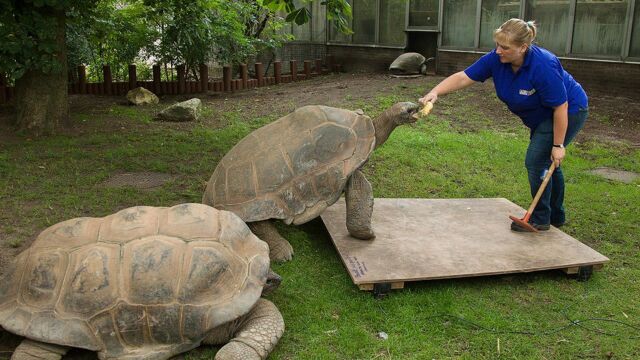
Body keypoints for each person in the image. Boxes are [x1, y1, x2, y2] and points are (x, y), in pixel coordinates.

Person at [419, 18, 588, 231]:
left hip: (569, 110)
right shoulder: (496, 59)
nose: (498, 50)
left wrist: (558, 145)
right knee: (547, 162)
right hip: (542, 115)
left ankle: (540, 218)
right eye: (497, 44)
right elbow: (464, 77)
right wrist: (435, 92)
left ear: (523, 47)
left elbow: (560, 106)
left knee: (536, 161)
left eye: (505, 47)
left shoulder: (543, 64)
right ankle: (556, 215)